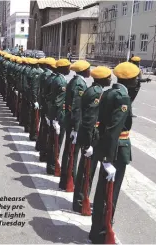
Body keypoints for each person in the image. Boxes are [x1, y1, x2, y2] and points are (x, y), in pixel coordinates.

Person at [89, 62, 138, 244]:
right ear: (131, 79)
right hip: (117, 150)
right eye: (136, 78)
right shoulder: (122, 97)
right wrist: (109, 159)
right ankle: (102, 232)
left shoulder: (109, 93)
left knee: (102, 191)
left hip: (107, 148)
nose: (137, 80)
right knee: (110, 194)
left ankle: (96, 231)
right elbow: (113, 129)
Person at [73, 66, 112, 214]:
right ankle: (80, 201)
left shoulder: (94, 90)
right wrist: (89, 143)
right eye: (108, 77)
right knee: (86, 171)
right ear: (102, 79)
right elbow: (90, 119)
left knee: (86, 169)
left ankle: (81, 199)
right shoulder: (96, 93)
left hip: (89, 135)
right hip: (90, 137)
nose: (110, 79)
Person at [59, 60, 90, 190]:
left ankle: (65, 179)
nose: (90, 71)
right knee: (72, 152)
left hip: (70, 121)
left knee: (69, 150)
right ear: (84, 70)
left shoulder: (75, 80)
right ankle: (69, 179)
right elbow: (77, 108)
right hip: (74, 123)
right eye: (88, 69)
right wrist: (76, 129)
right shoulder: (79, 84)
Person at [47, 59, 71, 176]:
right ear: (63, 68)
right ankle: (52, 167)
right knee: (57, 142)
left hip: (53, 114)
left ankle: (50, 165)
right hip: (58, 115)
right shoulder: (61, 81)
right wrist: (56, 119)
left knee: (53, 141)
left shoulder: (56, 78)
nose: (69, 69)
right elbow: (58, 102)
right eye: (67, 67)